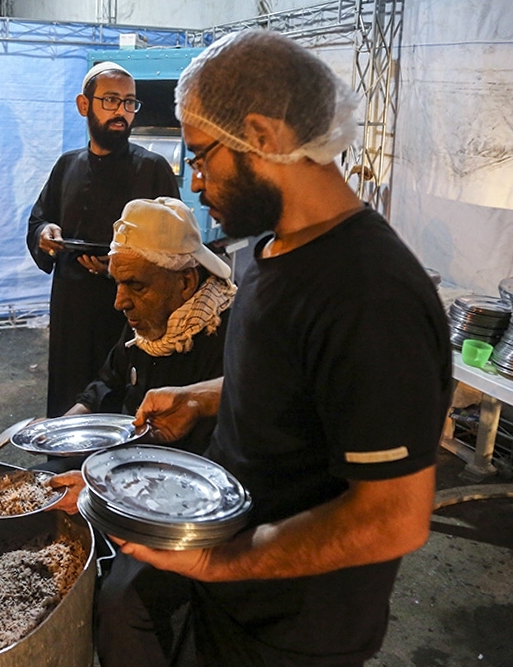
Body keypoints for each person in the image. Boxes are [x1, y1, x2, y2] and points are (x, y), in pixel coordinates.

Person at [110, 31, 453, 666]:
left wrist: (224, 560)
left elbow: (394, 517)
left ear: (262, 137)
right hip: (236, 584)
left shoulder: (369, 296)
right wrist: (206, 397)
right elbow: (298, 382)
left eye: (201, 156)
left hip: (296, 626)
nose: (195, 180)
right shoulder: (274, 248)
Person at [50, 196, 235, 667]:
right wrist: (67, 422)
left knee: (120, 602)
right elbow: (109, 380)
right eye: (117, 283)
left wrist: (99, 491)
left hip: (190, 514)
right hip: (132, 475)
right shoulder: (148, 326)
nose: (119, 301)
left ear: (186, 280)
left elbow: (214, 474)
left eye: (135, 285)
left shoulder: (229, 337)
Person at [27, 61, 180, 418]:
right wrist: (44, 234)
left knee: (118, 401)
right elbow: (40, 218)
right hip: (72, 307)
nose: (122, 112)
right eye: (111, 101)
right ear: (85, 105)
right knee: (68, 397)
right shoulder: (67, 165)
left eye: (129, 103)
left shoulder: (152, 168)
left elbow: (176, 247)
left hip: (128, 312)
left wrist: (120, 267)